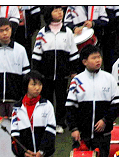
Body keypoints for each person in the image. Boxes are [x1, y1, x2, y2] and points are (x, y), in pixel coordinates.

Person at [65, 44, 119, 157]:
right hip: (82, 135)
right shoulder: (77, 81)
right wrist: (74, 129)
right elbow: (70, 108)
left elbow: (117, 105)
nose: (98, 60)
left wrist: (105, 120)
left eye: (99, 57)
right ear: (84, 62)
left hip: (103, 135)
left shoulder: (109, 79)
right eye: (94, 58)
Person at [31, 6, 78, 134]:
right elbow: (36, 55)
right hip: (45, 75)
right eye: (56, 10)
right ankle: (48, 122)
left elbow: (73, 54)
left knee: (62, 99)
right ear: (49, 13)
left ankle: (60, 123)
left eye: (61, 10)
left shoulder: (68, 32)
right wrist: (36, 74)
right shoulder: (42, 33)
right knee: (46, 99)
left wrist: (73, 72)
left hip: (63, 75)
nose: (60, 12)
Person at [0, 17, 30, 118]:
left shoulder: (20, 50)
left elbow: (26, 76)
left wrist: (24, 96)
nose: (5, 33)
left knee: (17, 125)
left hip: (16, 100)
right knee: (0, 127)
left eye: (7, 29)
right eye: (1, 30)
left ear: (11, 29)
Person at [10, 70, 56, 157]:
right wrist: (23, 153)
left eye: (40, 84)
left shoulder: (47, 105)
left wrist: (42, 151)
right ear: (26, 86)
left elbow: (51, 131)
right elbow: (14, 135)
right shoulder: (17, 109)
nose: (37, 88)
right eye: (33, 84)